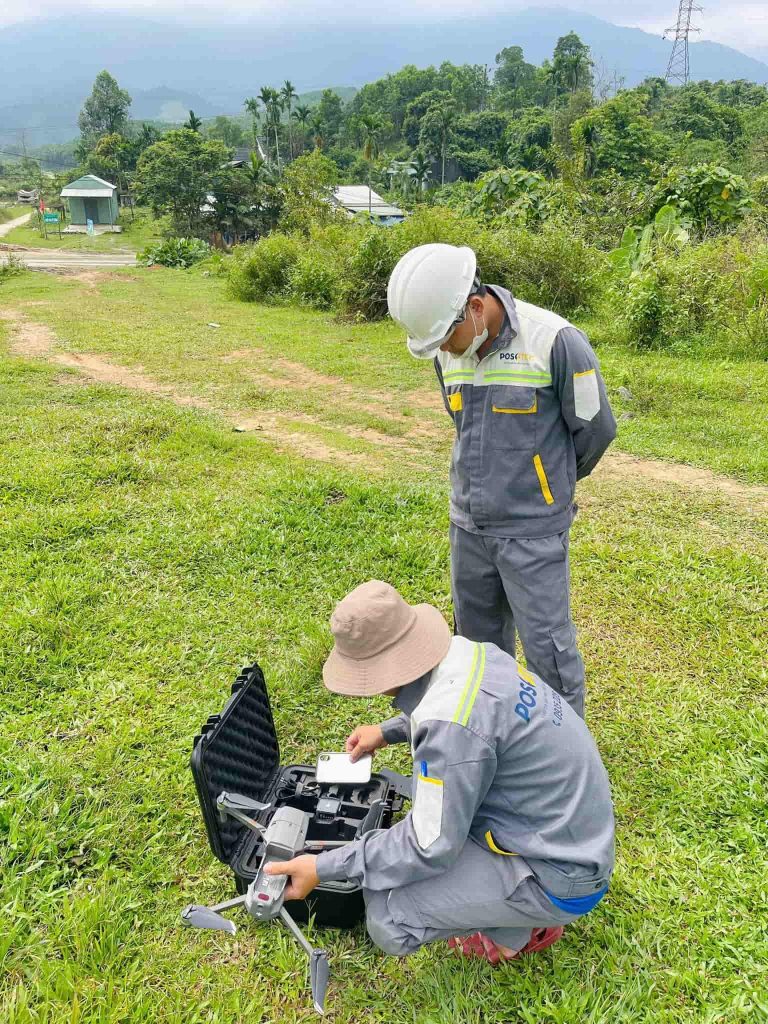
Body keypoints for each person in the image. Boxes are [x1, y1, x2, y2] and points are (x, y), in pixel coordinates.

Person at [267, 580, 615, 962]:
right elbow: (474, 717)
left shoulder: (451, 735)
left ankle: (523, 925)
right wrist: (388, 731)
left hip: (561, 873)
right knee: (394, 864)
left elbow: (428, 846)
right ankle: (512, 907)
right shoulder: (473, 654)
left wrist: (322, 866)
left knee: (387, 916)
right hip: (571, 833)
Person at [386, 244, 617, 717]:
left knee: (547, 648)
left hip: (532, 532)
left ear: (474, 307)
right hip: (468, 526)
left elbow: (595, 430)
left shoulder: (555, 341)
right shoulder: (447, 351)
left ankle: (564, 744)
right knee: (477, 648)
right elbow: (465, 428)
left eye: (446, 338)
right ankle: (496, 731)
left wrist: (544, 487)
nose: (445, 351)